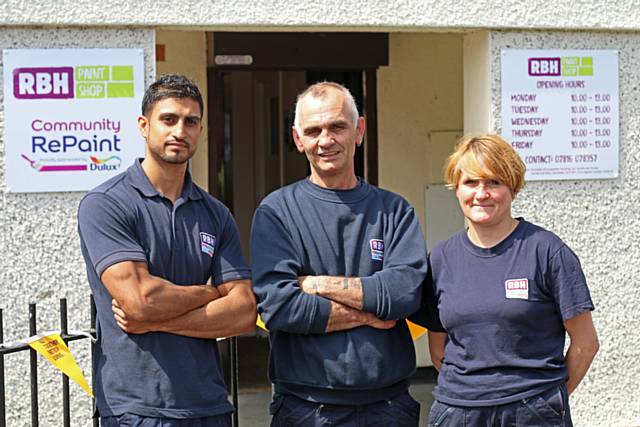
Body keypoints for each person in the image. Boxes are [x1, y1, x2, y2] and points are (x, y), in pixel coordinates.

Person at [78, 74, 256, 427]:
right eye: (169, 119)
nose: (180, 130)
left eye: (191, 121)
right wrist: (208, 293)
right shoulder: (106, 204)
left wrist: (158, 318)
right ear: (144, 126)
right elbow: (140, 300)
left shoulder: (214, 213)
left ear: (201, 129)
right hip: (138, 409)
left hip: (209, 404)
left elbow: (243, 312)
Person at [250, 81, 432, 426]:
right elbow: (280, 307)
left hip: (388, 407)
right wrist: (373, 312)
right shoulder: (276, 212)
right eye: (313, 130)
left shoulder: (394, 211)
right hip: (306, 408)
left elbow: (405, 293)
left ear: (359, 130)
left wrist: (317, 285)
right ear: (297, 138)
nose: (325, 140)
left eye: (337, 126)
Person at [419, 134, 599, 426]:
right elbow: (438, 348)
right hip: (458, 411)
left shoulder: (547, 251)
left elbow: (585, 343)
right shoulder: (441, 258)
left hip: (532, 410)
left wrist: (547, 399)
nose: (481, 193)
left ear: (512, 187)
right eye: (471, 182)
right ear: (456, 188)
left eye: (494, 182)